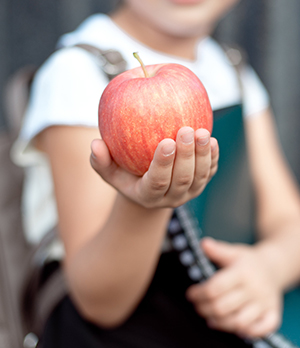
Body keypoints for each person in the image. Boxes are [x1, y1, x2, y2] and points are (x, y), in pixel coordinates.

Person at [12, 0, 300, 347]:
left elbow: (288, 219)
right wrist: (145, 204)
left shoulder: (231, 69)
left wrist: (269, 267)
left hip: (218, 300)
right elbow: (100, 304)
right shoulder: (75, 74)